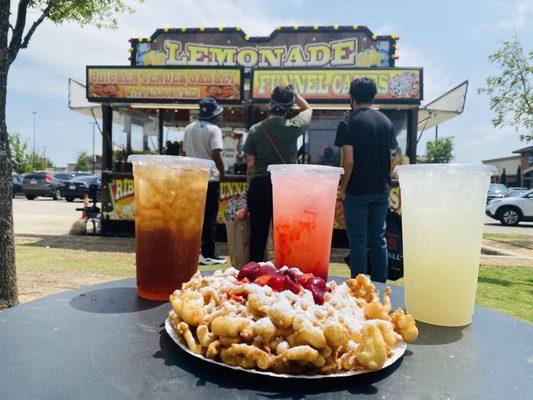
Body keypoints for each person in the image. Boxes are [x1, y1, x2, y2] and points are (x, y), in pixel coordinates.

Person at [335, 78, 398, 283]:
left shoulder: (347, 123)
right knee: (379, 238)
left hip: (356, 191)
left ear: (351, 96)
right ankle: (380, 284)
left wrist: (342, 189)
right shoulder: (386, 122)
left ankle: (359, 286)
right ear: (373, 96)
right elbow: (393, 157)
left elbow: (349, 161)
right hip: (381, 190)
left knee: (359, 241)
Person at [243, 85, 312, 262]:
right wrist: (295, 96)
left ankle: (255, 278)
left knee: (258, 236)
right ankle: (284, 274)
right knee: (284, 236)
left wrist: (248, 197)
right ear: (289, 107)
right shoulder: (293, 126)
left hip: (259, 186)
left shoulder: (255, 130)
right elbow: (308, 109)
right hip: (284, 186)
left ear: (270, 103)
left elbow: (250, 167)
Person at [183, 97, 226, 266]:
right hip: (210, 177)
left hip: (193, 177)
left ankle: (192, 251)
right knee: (210, 217)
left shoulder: (188, 128)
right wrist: (222, 172)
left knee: (193, 216)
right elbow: (216, 153)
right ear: (214, 115)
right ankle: (208, 253)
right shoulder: (214, 129)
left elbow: (185, 151)